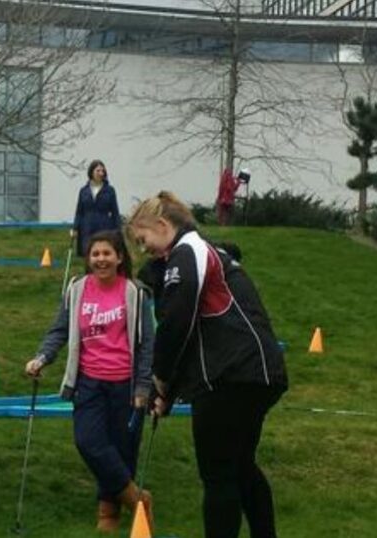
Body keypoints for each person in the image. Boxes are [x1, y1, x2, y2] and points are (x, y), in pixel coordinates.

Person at [128, 191, 288, 538]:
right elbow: (192, 334)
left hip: (229, 375)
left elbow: (176, 322)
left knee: (218, 474)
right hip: (255, 372)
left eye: (143, 239)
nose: (144, 249)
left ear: (161, 224)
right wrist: (167, 394)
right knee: (240, 466)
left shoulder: (188, 252)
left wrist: (158, 377)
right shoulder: (205, 252)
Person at [24, 230, 154, 533]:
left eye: (107, 253)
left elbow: (147, 343)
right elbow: (59, 330)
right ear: (88, 258)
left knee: (122, 449)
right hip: (89, 383)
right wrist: (41, 358)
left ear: (120, 257)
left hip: (125, 384)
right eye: (95, 254)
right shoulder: (77, 289)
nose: (101, 259)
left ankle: (109, 511)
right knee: (89, 442)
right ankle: (137, 500)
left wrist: (143, 387)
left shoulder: (135, 292)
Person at [71, 159, 121, 257]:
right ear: (91, 172)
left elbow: (115, 211)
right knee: (88, 252)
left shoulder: (110, 190)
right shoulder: (83, 191)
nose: (100, 173)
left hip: (104, 226)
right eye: (98, 171)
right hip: (87, 227)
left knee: (102, 251)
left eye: (102, 171)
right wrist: (75, 228)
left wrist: (118, 230)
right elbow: (79, 211)